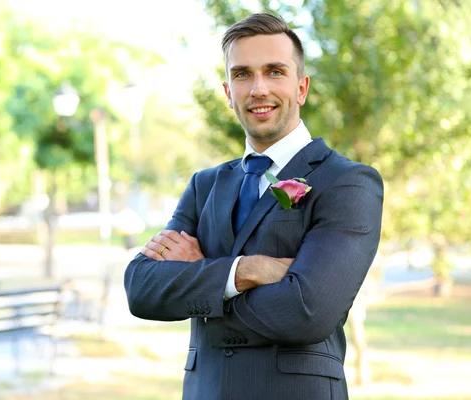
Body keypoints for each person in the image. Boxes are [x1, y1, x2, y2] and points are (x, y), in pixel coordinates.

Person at [124, 12, 383, 400]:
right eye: (243, 74)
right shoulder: (205, 185)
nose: (258, 88)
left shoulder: (348, 182)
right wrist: (248, 270)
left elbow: (307, 312)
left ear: (301, 88)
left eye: (275, 71)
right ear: (228, 92)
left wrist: (200, 278)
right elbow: (142, 288)